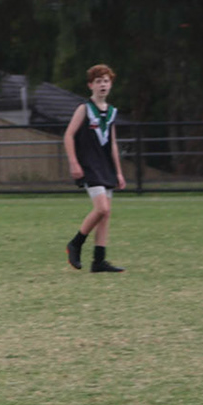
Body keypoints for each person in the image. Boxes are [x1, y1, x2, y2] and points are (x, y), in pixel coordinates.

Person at [62, 64, 127, 273]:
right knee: (102, 209)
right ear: (91, 85)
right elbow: (68, 135)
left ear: (111, 84)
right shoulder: (84, 109)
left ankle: (99, 261)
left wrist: (118, 172)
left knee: (105, 215)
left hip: (105, 166)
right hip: (89, 166)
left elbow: (113, 143)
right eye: (98, 81)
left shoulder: (112, 112)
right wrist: (73, 162)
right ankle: (75, 243)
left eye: (106, 81)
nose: (103, 85)